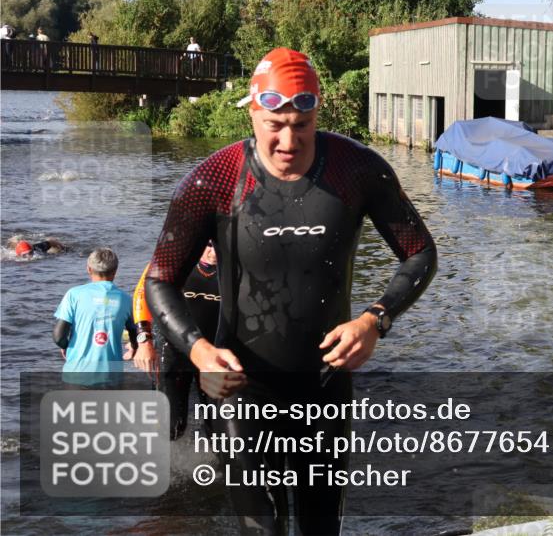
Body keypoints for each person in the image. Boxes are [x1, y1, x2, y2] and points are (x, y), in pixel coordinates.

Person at [144, 47, 437, 534]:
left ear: (316, 113)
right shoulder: (215, 180)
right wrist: (197, 352)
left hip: (325, 387)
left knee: (321, 525)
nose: (287, 141)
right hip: (241, 389)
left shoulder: (355, 169)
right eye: (274, 124)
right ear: (253, 112)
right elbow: (159, 280)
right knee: (261, 527)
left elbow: (420, 252)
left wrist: (374, 320)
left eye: (301, 125)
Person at [133, 242, 220, 440]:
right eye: (206, 245)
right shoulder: (173, 262)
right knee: (171, 426)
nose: (212, 252)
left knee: (218, 427)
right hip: (173, 351)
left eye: (217, 246)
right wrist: (144, 341)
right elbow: (142, 294)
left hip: (212, 354)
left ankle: (222, 466)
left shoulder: (233, 268)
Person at [52, 248, 136, 386]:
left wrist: (66, 346)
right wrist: (133, 348)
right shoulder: (126, 300)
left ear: (89, 269)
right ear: (115, 271)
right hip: (111, 378)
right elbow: (136, 334)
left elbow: (58, 336)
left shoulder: (74, 295)